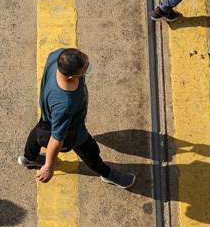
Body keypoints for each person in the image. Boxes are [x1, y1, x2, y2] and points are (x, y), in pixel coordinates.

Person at [19, 47, 134, 189]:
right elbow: (56, 138)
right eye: (85, 68)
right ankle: (107, 174)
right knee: (91, 152)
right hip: (74, 128)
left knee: (41, 127)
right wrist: (49, 166)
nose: (88, 66)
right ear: (71, 77)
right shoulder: (66, 104)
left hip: (48, 113)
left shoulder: (57, 56)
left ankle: (29, 158)